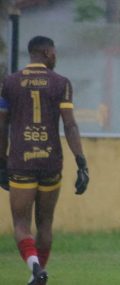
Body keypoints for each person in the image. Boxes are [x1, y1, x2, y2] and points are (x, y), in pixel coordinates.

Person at [0, 36, 89, 285]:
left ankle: (34, 267)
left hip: (21, 162)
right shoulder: (61, 83)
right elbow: (70, 124)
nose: (55, 56)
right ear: (47, 52)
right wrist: (81, 161)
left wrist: (1, 161)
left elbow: (1, 124)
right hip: (51, 162)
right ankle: (37, 275)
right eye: (54, 52)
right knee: (45, 223)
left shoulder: (9, 83)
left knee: (20, 223)